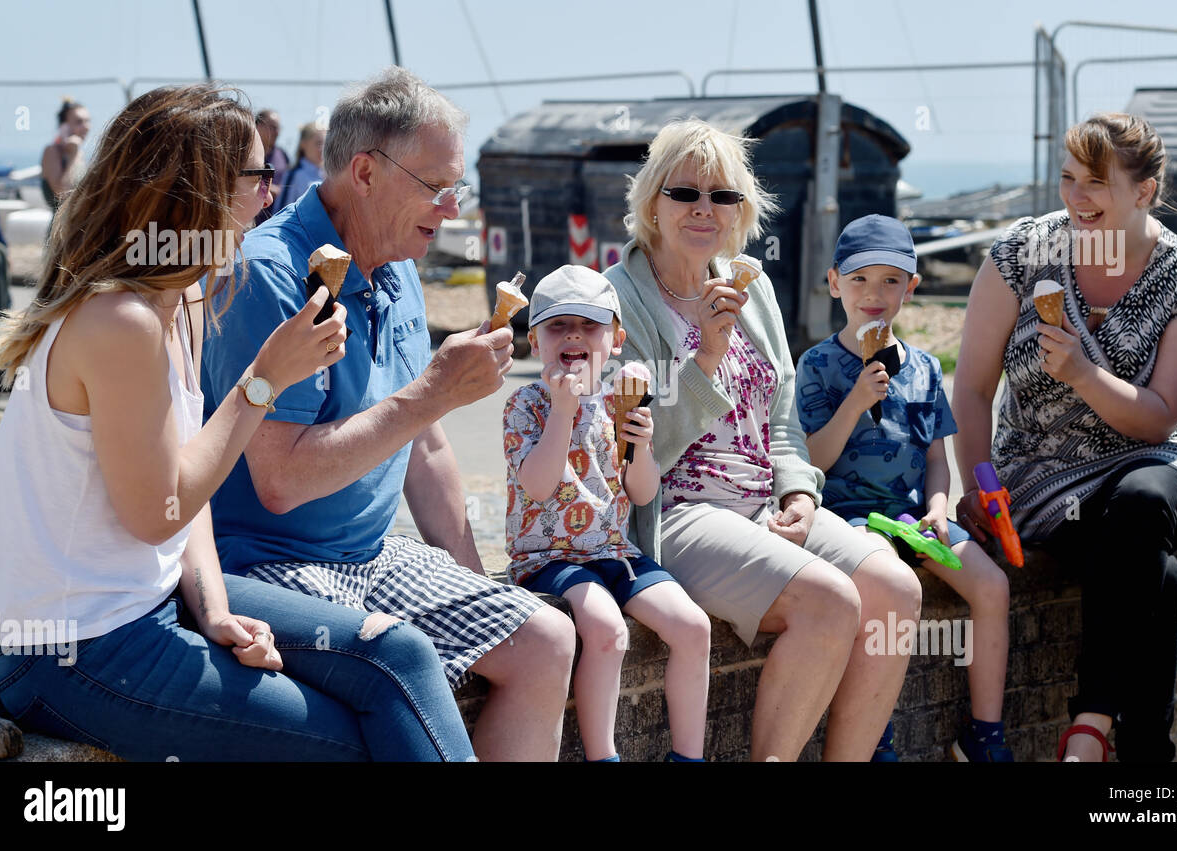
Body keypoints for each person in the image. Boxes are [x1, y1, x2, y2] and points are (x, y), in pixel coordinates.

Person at [0, 83, 475, 761]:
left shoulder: (178, 300)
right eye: (257, 176)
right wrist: (263, 380)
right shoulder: (120, 322)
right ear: (195, 190)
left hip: (147, 613)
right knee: (359, 737)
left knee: (403, 657)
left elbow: (189, 495)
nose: (272, 196)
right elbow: (161, 510)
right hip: (76, 650)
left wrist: (212, 609)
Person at [200, 67, 576, 762]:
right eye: (436, 188)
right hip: (266, 562)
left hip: (371, 555)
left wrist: (469, 572)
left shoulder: (398, 264)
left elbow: (425, 447)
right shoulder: (269, 273)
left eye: (456, 188)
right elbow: (280, 482)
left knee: (546, 639)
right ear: (366, 173)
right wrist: (432, 391)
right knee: (391, 670)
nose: (452, 209)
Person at [603, 119, 921, 761]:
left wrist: (801, 490)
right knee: (829, 602)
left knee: (896, 592)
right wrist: (704, 361)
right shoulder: (618, 300)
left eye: (723, 196)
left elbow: (780, 416)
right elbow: (626, 446)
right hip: (678, 510)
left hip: (759, 501)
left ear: (742, 211)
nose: (703, 208)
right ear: (651, 202)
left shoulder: (754, 289)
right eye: (683, 192)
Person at [953, 112, 1177, 762]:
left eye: (1096, 182)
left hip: (1159, 454)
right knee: (1149, 571)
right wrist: (980, 485)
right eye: (1068, 178)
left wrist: (1083, 372)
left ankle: (1089, 719)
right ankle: (1141, 755)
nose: (1076, 197)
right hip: (1044, 476)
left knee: (1140, 504)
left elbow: (1159, 414)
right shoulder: (1023, 254)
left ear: (1145, 191)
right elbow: (970, 388)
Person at [795, 214, 1013, 762]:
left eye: (891, 281)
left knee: (992, 586)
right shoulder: (817, 366)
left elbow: (936, 460)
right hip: (848, 520)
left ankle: (983, 737)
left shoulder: (922, 367)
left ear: (911, 289)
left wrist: (939, 508)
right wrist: (855, 403)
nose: (874, 294)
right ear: (834, 283)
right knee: (887, 600)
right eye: (860, 280)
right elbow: (811, 461)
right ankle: (875, 736)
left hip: (915, 518)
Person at [505, 265, 711, 762]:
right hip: (547, 558)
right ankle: (603, 755)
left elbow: (642, 494)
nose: (574, 334)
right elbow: (537, 486)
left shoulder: (623, 404)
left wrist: (640, 445)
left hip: (613, 550)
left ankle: (688, 756)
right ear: (535, 342)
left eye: (590, 325)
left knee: (694, 628)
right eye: (557, 326)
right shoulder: (525, 404)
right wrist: (561, 410)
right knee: (606, 628)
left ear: (616, 340)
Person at [40, 97, 90, 215]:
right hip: (62, 230)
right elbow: (62, 193)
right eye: (79, 122)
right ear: (64, 127)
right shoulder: (52, 152)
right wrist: (73, 155)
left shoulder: (79, 154)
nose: (86, 127)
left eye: (87, 121)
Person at [273, 121, 325, 210]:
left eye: (325, 143)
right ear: (303, 144)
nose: (322, 148)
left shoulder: (329, 175)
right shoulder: (294, 174)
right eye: (318, 143)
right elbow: (281, 211)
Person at [254, 109, 291, 225]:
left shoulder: (282, 154)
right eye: (272, 127)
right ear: (258, 126)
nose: (276, 132)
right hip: (251, 219)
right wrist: (268, 188)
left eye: (278, 128)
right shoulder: (248, 154)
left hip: (275, 220)